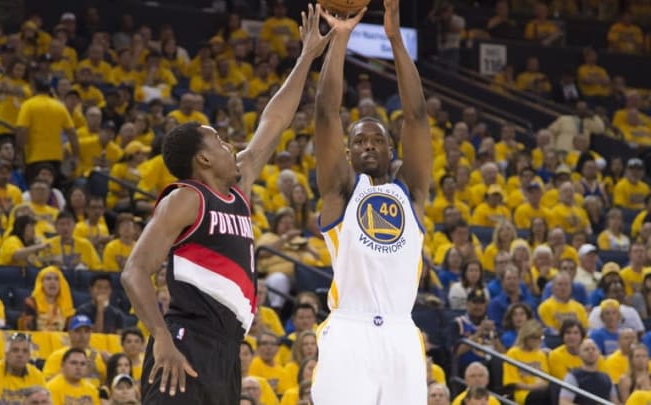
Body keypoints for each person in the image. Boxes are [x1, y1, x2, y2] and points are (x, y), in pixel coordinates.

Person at [120, 7, 333, 403]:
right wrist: (161, 338)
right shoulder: (187, 198)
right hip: (186, 342)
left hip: (227, 350)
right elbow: (134, 271)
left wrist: (307, 57)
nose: (228, 144)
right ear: (202, 160)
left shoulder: (239, 188)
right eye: (217, 140)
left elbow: (274, 122)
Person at [310, 1, 432, 403]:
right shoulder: (341, 192)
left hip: (401, 331)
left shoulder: (410, 191)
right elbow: (327, 114)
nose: (367, 144)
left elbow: (416, 115)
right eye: (358, 140)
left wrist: (396, 39)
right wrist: (340, 39)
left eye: (377, 138)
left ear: (390, 149)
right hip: (350, 330)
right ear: (348, 154)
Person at [0, 332, 46, 403]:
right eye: (15, 350)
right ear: (6, 354)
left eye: (25, 351)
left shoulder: (37, 375)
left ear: (29, 356)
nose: (20, 355)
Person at [558, 339, 618, 405]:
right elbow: (563, 402)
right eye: (586, 349)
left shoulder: (607, 378)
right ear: (580, 354)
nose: (591, 351)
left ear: (599, 353)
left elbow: (614, 402)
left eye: (594, 349)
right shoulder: (573, 376)